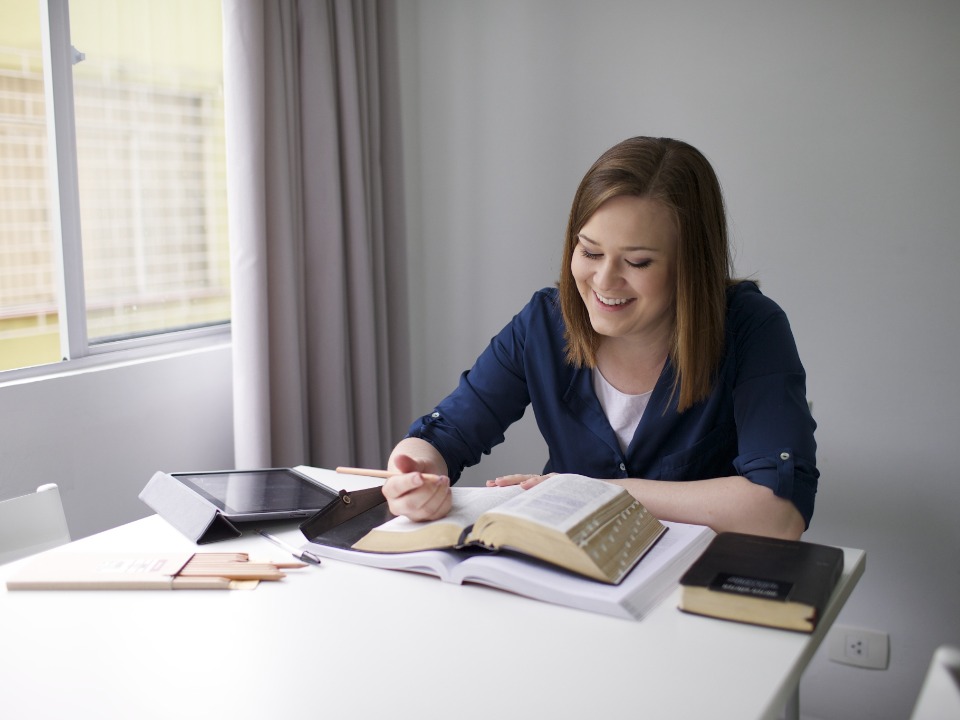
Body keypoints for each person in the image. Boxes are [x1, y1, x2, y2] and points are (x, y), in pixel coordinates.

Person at [383, 136, 816, 540]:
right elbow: (444, 436)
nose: (604, 281)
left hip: (692, 583)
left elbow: (779, 513)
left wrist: (593, 491)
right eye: (590, 251)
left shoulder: (751, 327)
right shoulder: (544, 323)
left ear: (691, 265)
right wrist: (412, 474)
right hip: (567, 573)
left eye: (638, 262)